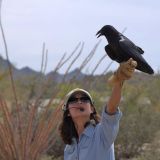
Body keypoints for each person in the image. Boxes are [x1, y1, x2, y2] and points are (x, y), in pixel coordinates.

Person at [59, 58, 137, 160]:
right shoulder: (69, 147)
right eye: (73, 100)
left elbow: (112, 108)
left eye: (84, 99)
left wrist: (119, 80)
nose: (79, 102)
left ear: (91, 108)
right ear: (68, 112)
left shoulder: (102, 133)